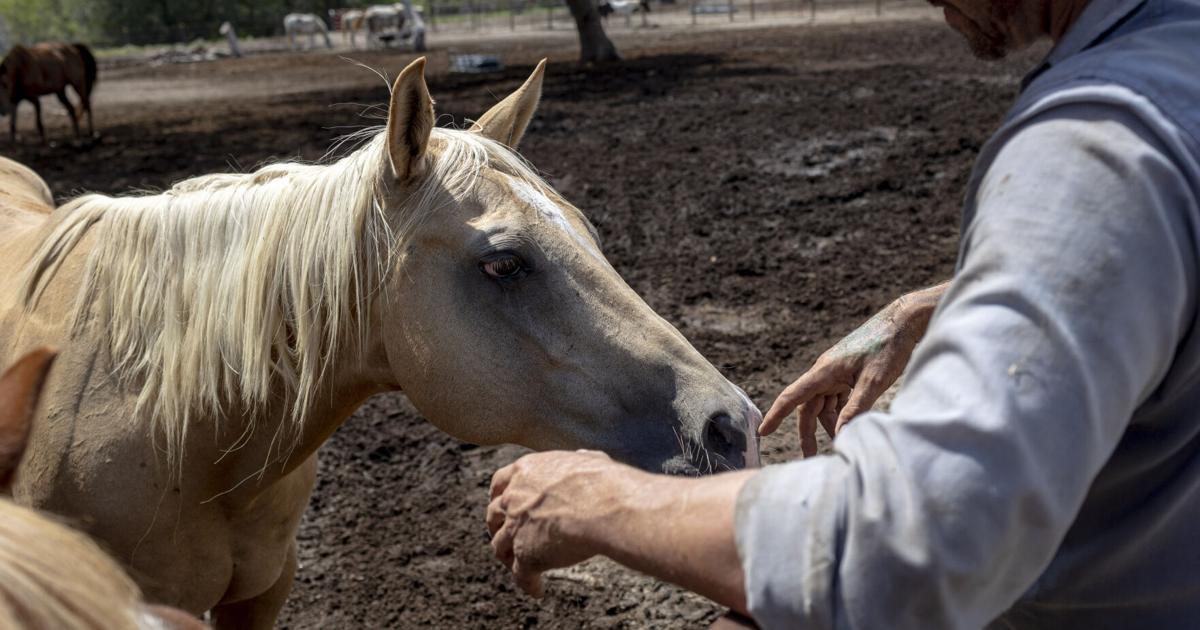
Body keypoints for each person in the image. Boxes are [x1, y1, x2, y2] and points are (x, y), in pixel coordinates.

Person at [485, 0, 1200, 626]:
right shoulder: (1176, 59)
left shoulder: (1093, 147)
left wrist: (599, 503)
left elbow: (913, 547)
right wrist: (936, 304)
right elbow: (1149, 256)